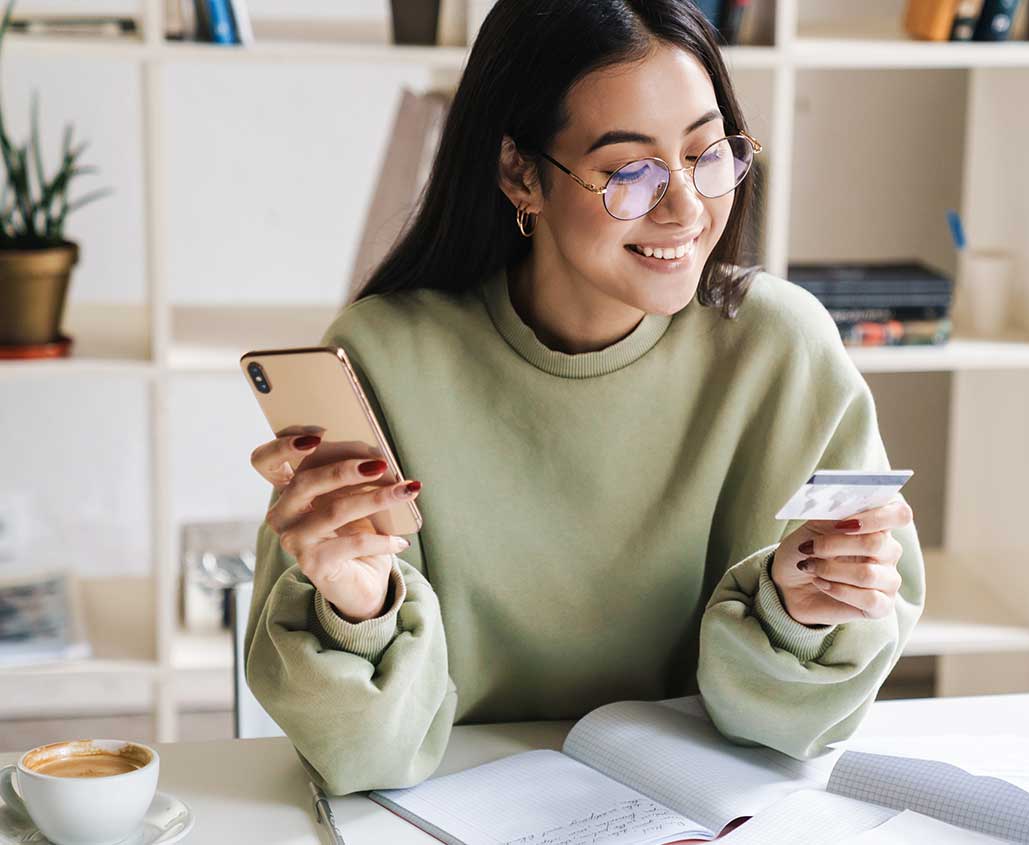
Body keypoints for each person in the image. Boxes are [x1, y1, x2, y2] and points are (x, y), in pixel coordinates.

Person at [244, 0, 924, 796]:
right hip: (450, 814)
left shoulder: (781, 348)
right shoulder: (384, 355)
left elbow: (791, 735)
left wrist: (802, 612)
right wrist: (357, 609)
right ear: (519, 173)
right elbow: (366, 758)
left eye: (709, 154)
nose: (686, 208)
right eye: (630, 172)